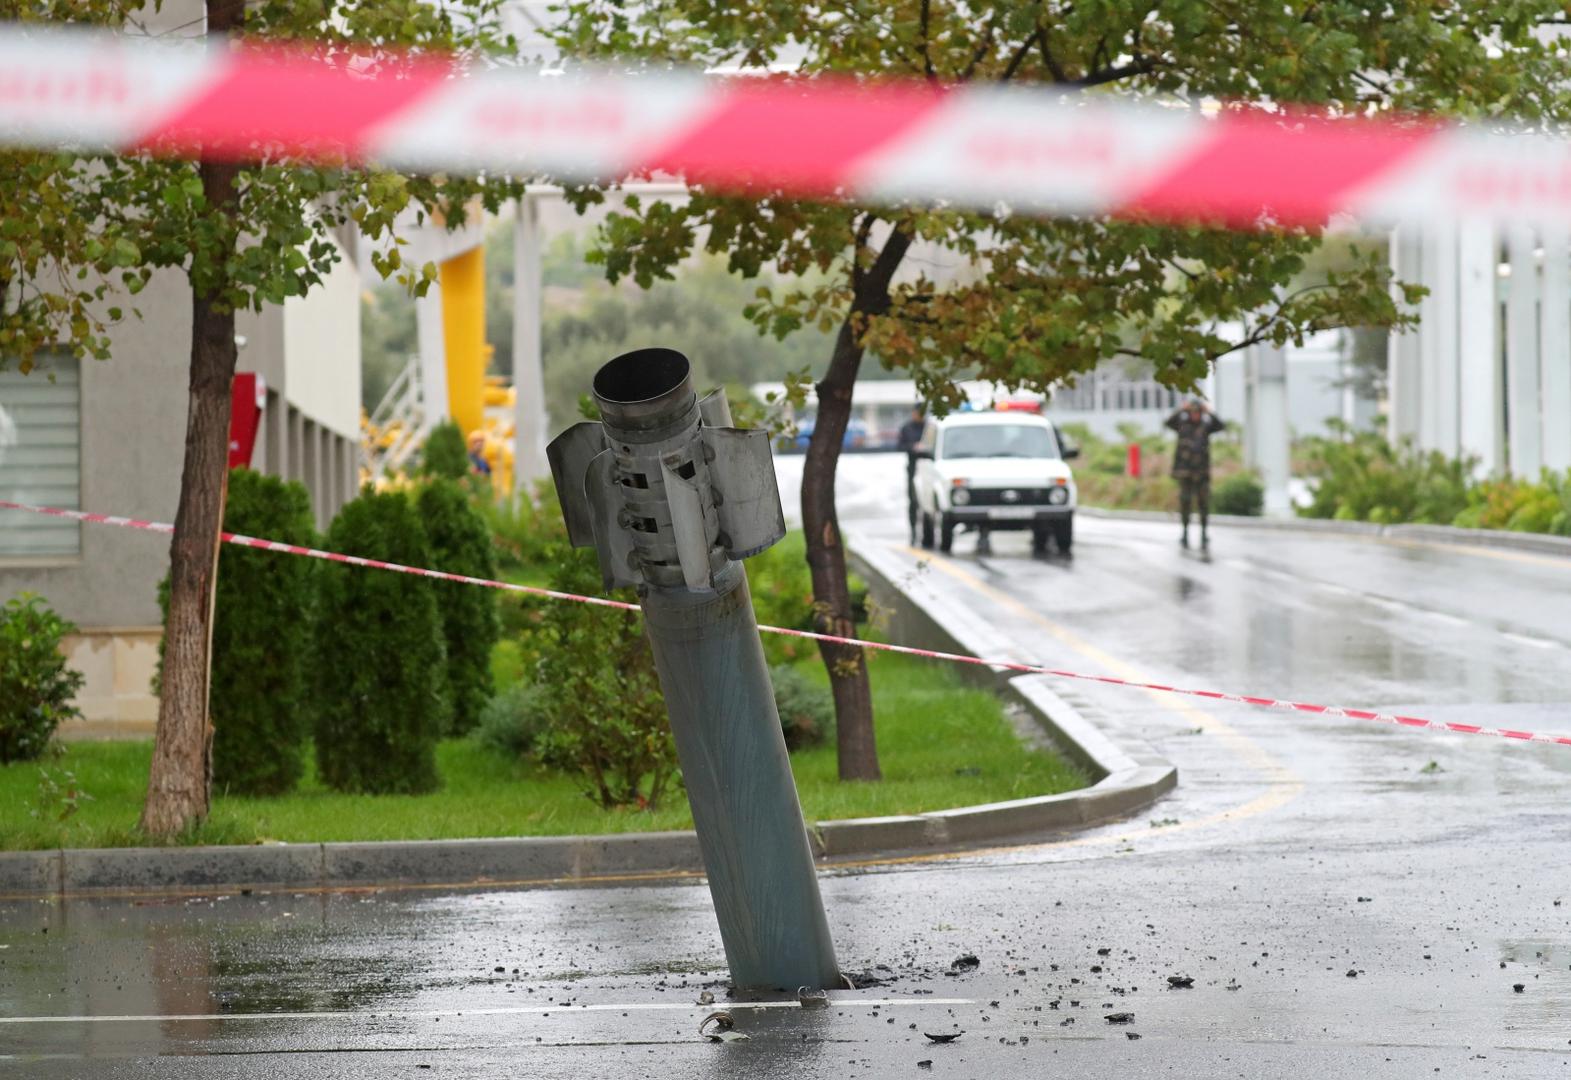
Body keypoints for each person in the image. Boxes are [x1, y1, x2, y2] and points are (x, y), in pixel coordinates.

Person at [1164, 399, 1225, 550]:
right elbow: (1168, 422)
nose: (1195, 415)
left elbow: (1221, 426)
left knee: (1203, 503)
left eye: (1198, 412)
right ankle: (1184, 533)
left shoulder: (1206, 427)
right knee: (1185, 503)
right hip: (1185, 472)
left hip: (1201, 472)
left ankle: (1204, 533)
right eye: (1192, 412)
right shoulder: (1182, 425)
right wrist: (1181, 409)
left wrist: (1209, 411)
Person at [897, 405, 926, 541]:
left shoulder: (930, 427)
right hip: (913, 467)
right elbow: (899, 446)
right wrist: (913, 447)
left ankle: (927, 533)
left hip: (927, 467)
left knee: (926, 501)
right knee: (913, 501)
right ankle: (913, 531)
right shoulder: (907, 428)